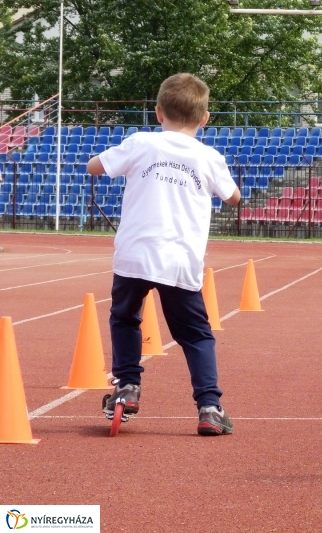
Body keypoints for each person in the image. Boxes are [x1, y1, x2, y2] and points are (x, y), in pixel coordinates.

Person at [87, 73, 241, 436]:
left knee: (125, 318)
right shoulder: (208, 156)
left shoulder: (141, 143)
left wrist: (111, 159)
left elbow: (95, 167)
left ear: (158, 113)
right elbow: (232, 196)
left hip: (134, 256)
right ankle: (208, 406)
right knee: (196, 335)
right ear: (204, 118)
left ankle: (127, 383)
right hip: (180, 260)